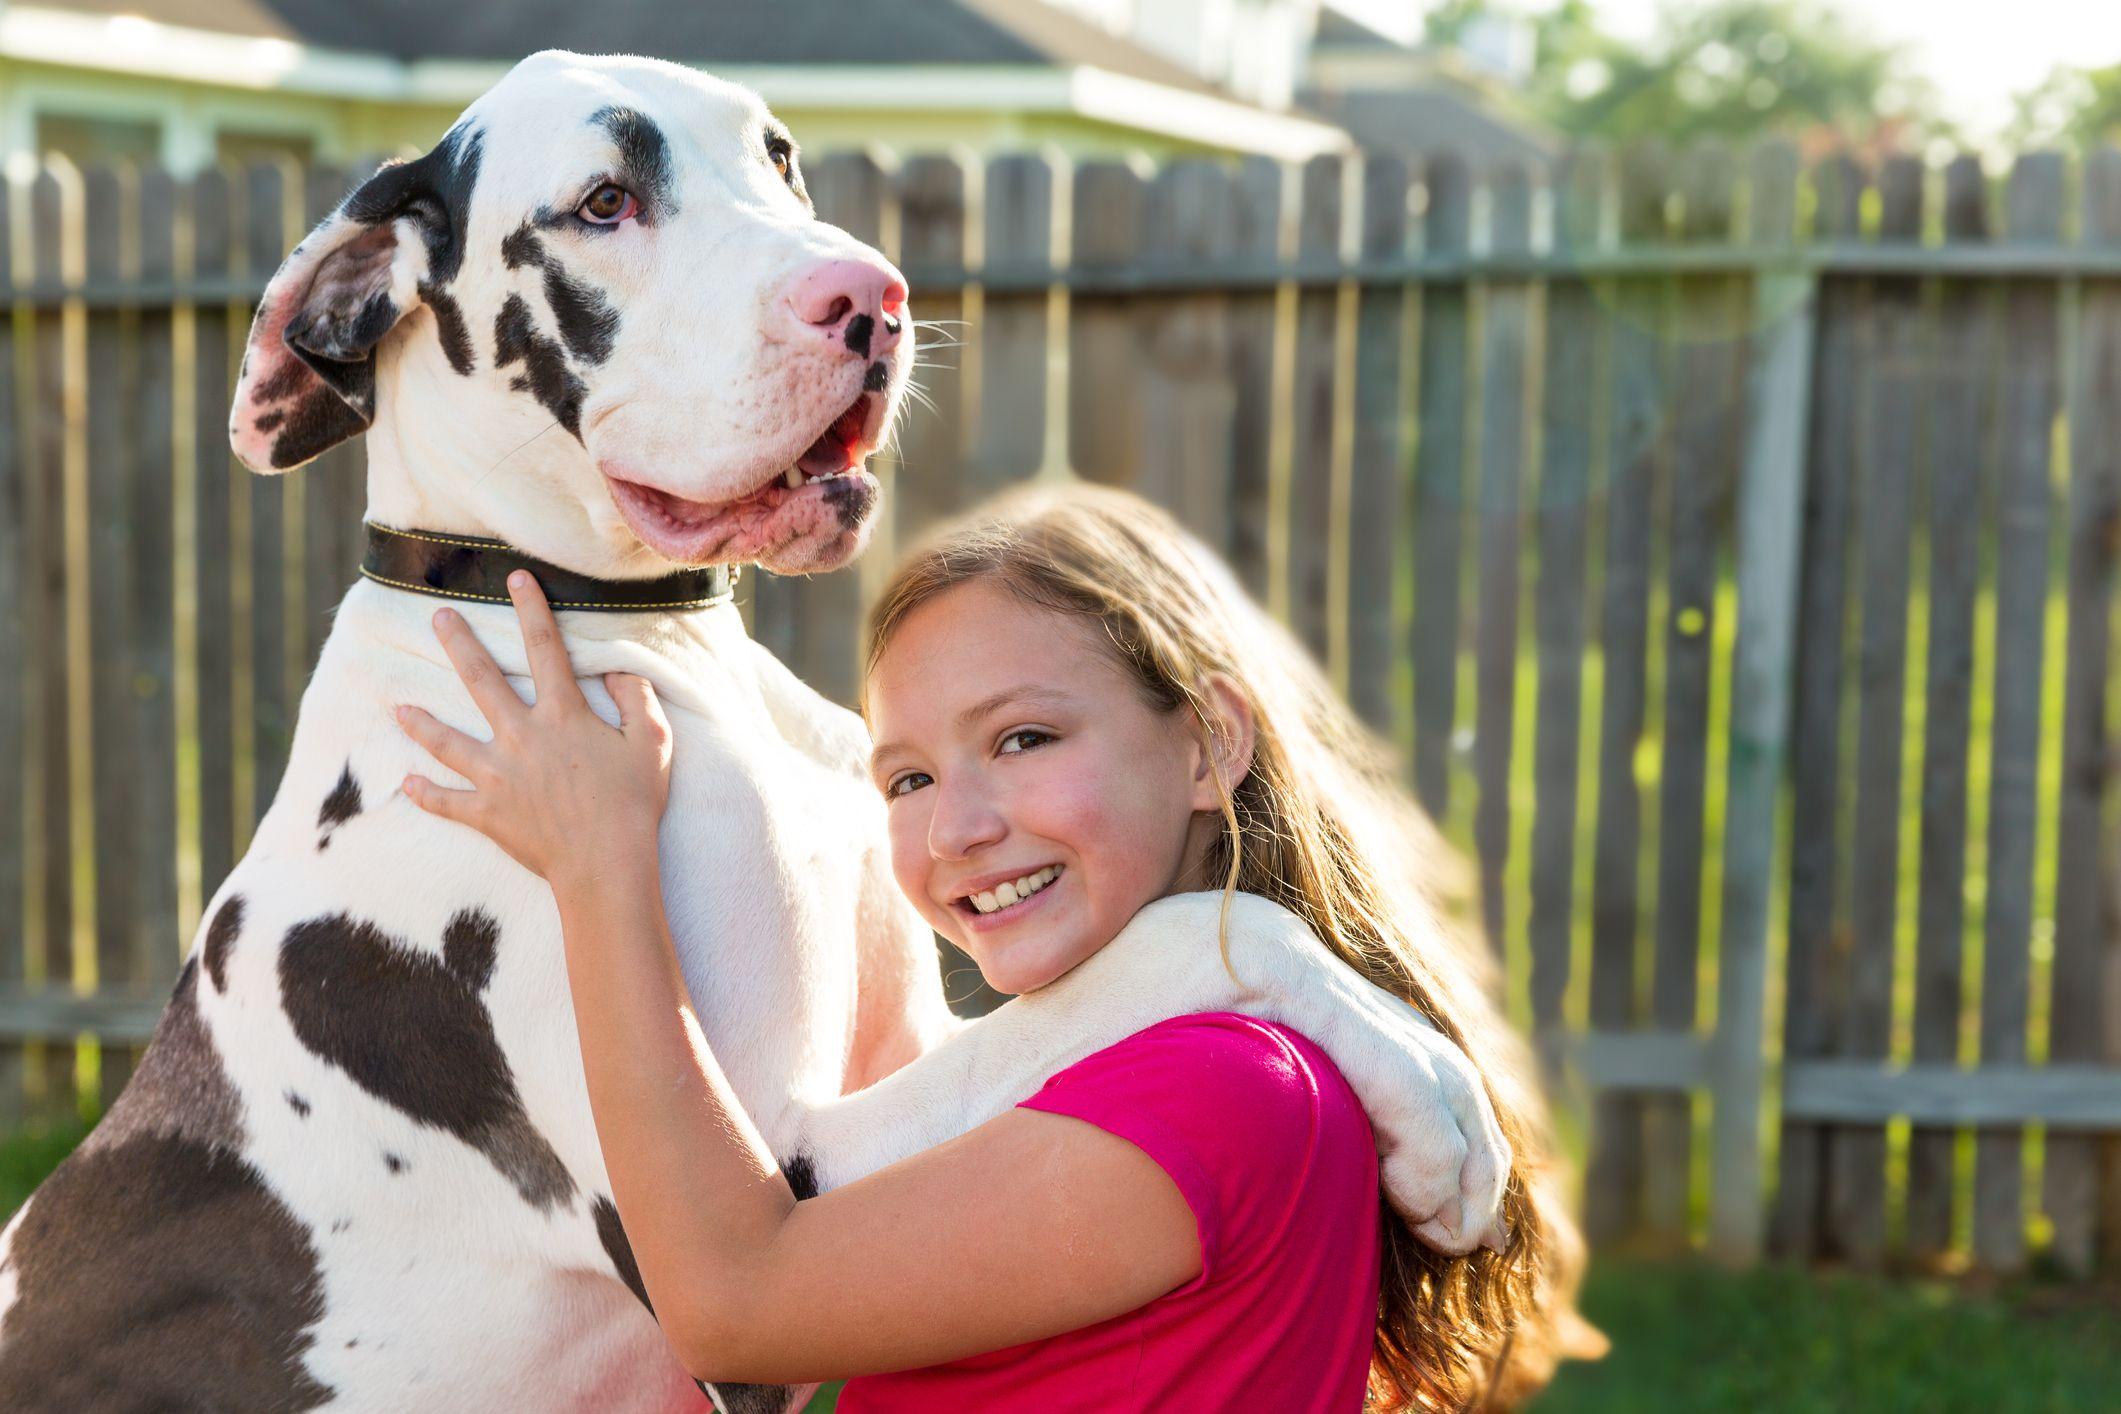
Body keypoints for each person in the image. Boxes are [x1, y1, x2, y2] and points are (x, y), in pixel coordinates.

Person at [394, 484, 1590, 1410]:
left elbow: (733, 1305)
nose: (958, 825)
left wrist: (599, 863)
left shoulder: (1224, 1088)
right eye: (908, 775)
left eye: (1023, 738)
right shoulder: (1210, 1046)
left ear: (1208, 743)